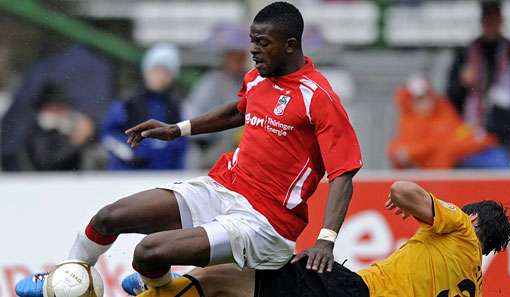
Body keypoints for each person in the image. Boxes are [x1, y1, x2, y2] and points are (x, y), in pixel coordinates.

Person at [15, 2, 362, 297]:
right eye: (252, 41)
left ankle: (161, 286)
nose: (254, 50)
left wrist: (326, 240)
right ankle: (63, 280)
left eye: (262, 43)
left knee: (147, 253)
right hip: (223, 187)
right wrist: (177, 130)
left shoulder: (318, 97)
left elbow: (344, 172)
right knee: (110, 216)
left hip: (264, 223)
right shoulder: (258, 77)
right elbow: (239, 110)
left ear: (290, 45)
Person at [120, 181, 510, 297]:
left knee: (231, 270)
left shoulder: (460, 225)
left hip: (356, 293)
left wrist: (405, 200)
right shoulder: (474, 282)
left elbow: (405, 189)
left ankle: (158, 291)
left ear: (473, 216)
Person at [389, 74, 510, 169]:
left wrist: (479, 139)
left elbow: (458, 135)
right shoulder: (409, 122)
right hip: (445, 170)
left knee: (497, 157)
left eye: (427, 96)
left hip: (463, 158)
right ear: (409, 101)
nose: (425, 102)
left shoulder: (443, 109)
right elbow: (399, 152)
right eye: (418, 99)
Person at [102, 44, 188, 170]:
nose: (160, 76)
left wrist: (165, 150)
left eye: (166, 71)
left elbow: (182, 143)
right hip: (127, 173)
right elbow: (109, 136)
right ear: (146, 71)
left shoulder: (176, 106)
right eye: (156, 70)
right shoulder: (127, 103)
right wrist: (129, 154)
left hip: (165, 176)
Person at [447, 1, 510, 158]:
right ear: (482, 22)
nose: (491, 24)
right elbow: (450, 97)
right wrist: (462, 82)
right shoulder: (466, 53)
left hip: (509, 130)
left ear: (501, 20)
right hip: (473, 130)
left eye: (494, 19)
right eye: (487, 19)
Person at [184, 23, 249, 169]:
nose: (238, 60)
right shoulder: (211, 82)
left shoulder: (250, 80)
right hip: (212, 153)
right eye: (234, 55)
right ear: (226, 56)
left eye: (241, 55)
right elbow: (194, 115)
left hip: (242, 154)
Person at [26, 84, 95, 171]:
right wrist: (75, 142)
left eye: (62, 106)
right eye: (56, 106)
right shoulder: (38, 132)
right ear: (45, 107)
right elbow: (46, 163)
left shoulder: (68, 127)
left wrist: (89, 133)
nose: (61, 110)